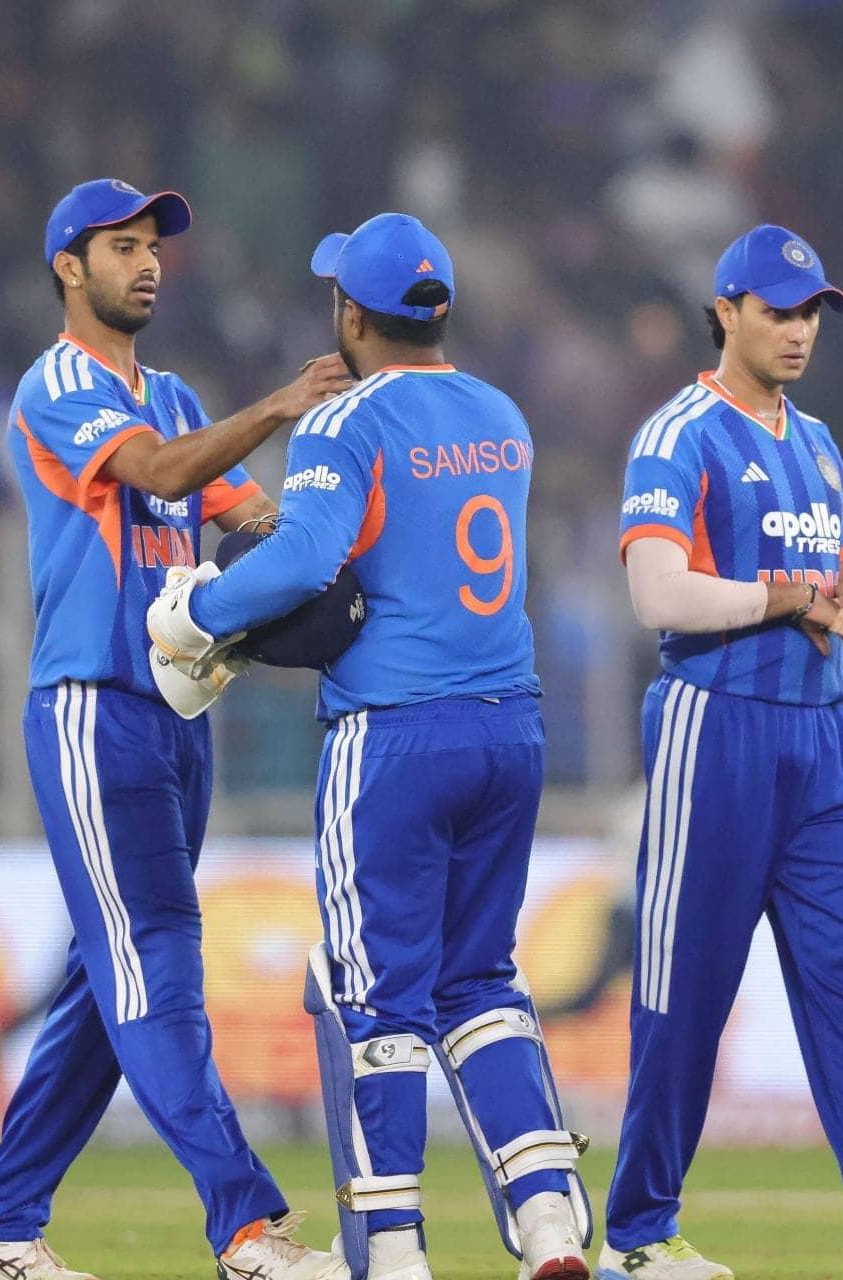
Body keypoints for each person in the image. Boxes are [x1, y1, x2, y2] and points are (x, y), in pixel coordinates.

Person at [150, 213, 592, 1280]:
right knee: (480, 981)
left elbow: (307, 561)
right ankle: (549, 1220)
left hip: (394, 736)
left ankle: (392, 1250)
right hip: (510, 726)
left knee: (372, 996)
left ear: (350, 313)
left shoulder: (347, 420)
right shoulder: (501, 414)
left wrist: (199, 611)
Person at [0, 179, 352, 1280]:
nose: (150, 261)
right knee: (156, 967)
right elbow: (163, 474)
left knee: (102, 985)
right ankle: (247, 1228)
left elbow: (253, 517)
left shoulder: (170, 393)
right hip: (93, 708)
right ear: (68, 267)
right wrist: (284, 404)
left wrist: (342, 522)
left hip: (176, 712)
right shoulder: (58, 383)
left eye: (154, 244)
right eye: (122, 246)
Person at [601, 223, 843, 1280]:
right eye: (778, 311)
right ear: (725, 312)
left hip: (826, 738)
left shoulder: (818, 443)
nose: (800, 330)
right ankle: (639, 1236)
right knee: (686, 993)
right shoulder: (678, 434)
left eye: (811, 312)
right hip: (716, 727)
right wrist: (790, 596)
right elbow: (656, 594)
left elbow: (832, 580)